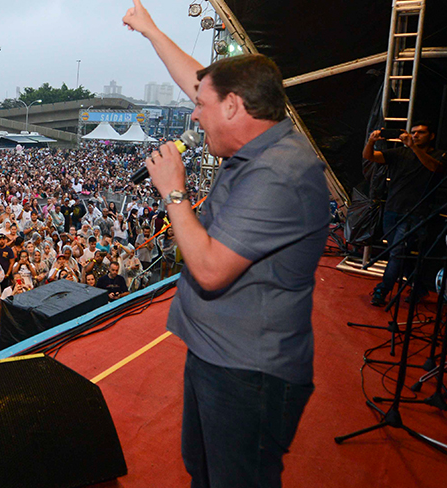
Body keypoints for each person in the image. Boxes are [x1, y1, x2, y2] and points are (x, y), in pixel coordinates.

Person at [124, 2, 329, 486]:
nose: (194, 114)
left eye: (201, 105)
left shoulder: (280, 173)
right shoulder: (262, 145)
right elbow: (201, 82)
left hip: (249, 372)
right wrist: (152, 31)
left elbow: (212, 269)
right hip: (220, 355)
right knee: (206, 473)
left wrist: (174, 192)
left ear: (234, 106)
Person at [363, 122, 445, 306]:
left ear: (431, 136)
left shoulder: (437, 155)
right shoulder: (400, 153)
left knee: (397, 254)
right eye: (413, 132)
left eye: (420, 133)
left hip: (416, 213)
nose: (415, 135)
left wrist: (413, 146)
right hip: (392, 209)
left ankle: (381, 291)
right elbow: (369, 156)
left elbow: (435, 168)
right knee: (398, 254)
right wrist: (371, 142)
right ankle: (419, 289)